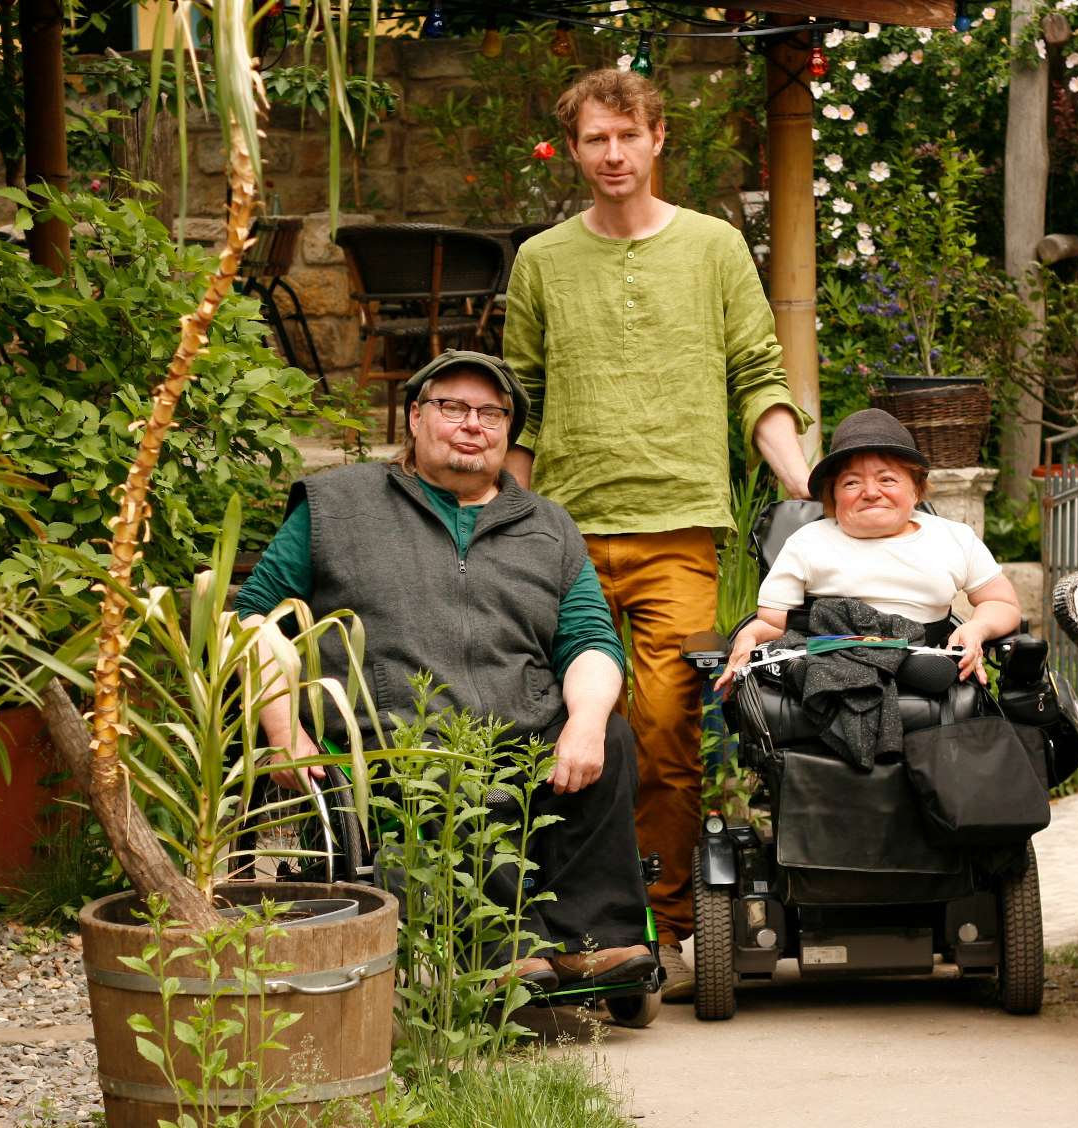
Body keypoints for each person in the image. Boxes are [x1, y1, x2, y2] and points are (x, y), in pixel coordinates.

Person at [501, 67, 813, 1001]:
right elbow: (524, 401)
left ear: (657, 139)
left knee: (668, 730)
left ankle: (667, 933)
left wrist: (809, 485)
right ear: (575, 148)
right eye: (594, 139)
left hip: (680, 529)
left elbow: (760, 375)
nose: (612, 155)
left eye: (626, 137)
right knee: (552, 729)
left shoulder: (714, 248)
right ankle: (567, 932)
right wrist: (499, 523)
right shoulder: (542, 261)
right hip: (564, 535)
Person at [233, 349, 656, 994]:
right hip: (395, 737)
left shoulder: (549, 528)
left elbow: (592, 640)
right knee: (437, 761)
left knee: (613, 740)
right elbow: (256, 618)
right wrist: (283, 728)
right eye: (452, 407)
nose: (473, 424)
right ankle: (504, 948)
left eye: (492, 412)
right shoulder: (335, 507)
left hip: (524, 730)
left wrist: (588, 722)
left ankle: (589, 941)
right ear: (414, 418)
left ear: (508, 431)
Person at [715, 408, 1025, 695]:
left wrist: (977, 628)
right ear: (833, 498)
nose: (871, 492)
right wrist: (748, 638)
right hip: (832, 660)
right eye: (851, 483)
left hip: (921, 658)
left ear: (915, 489)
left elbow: (1001, 602)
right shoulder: (807, 542)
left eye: (887, 479)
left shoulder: (952, 537)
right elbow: (772, 623)